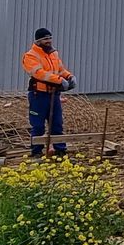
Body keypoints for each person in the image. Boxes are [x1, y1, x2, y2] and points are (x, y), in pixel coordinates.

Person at [21, 27, 74, 158]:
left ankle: (60, 150)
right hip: (38, 95)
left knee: (57, 124)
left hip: (53, 95)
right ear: (38, 41)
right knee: (38, 126)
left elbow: (60, 69)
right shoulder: (30, 55)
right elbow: (39, 74)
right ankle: (36, 152)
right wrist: (59, 80)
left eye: (50, 38)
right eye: (45, 39)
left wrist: (69, 76)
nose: (49, 41)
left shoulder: (53, 54)